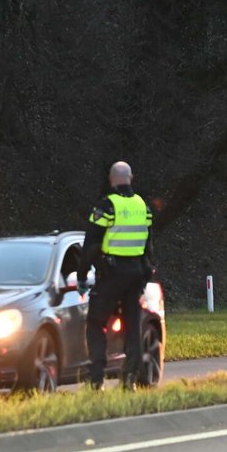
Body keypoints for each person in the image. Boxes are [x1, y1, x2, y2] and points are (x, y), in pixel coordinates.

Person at [79, 161, 156, 388]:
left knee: (96, 322)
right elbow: (149, 244)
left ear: (112, 180)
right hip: (136, 274)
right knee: (132, 324)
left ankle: (97, 378)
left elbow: (91, 243)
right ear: (130, 178)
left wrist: (83, 275)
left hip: (112, 273)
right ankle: (130, 378)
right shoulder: (143, 206)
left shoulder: (107, 206)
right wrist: (147, 268)